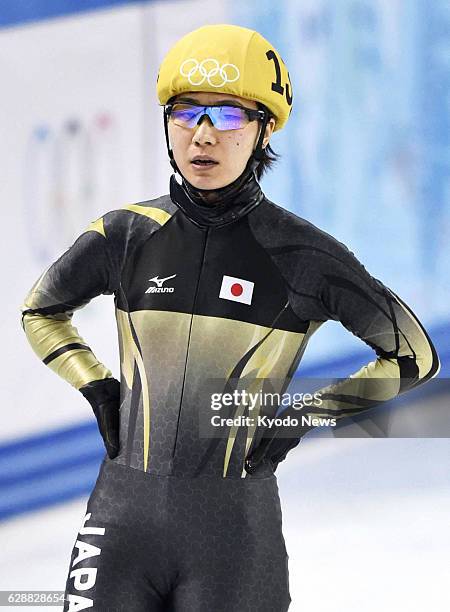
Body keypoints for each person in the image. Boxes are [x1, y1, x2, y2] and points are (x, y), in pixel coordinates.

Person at [20, 24, 439, 612]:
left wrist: (300, 419)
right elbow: (41, 310)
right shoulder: (125, 234)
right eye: (187, 114)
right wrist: (97, 387)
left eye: (229, 116)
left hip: (232, 537)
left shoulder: (302, 255)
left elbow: (414, 356)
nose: (204, 136)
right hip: (120, 521)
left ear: (265, 129)